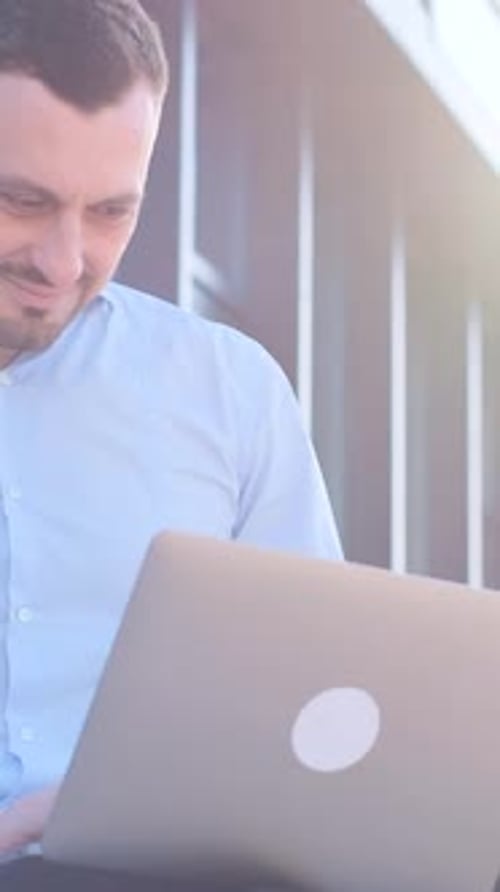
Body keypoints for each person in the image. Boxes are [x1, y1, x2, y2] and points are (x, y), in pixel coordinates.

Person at [0, 0, 342, 888]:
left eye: (112, 212)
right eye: (23, 201)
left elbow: (317, 706)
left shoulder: (228, 392)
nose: (63, 262)